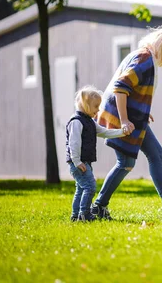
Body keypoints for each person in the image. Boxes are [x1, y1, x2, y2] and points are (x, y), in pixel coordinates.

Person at [91, 23, 162, 221]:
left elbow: (131, 91)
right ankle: (98, 207)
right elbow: (120, 88)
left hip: (133, 118)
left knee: (155, 154)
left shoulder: (148, 58)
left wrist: (141, 111)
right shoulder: (144, 59)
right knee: (126, 163)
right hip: (123, 118)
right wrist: (123, 120)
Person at [66, 86, 127, 222]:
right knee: (90, 186)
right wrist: (77, 161)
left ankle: (76, 215)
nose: (98, 110)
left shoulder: (89, 122)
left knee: (81, 189)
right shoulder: (76, 121)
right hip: (78, 162)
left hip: (84, 161)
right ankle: (84, 214)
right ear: (86, 105)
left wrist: (122, 132)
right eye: (96, 106)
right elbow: (73, 144)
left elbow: (105, 132)